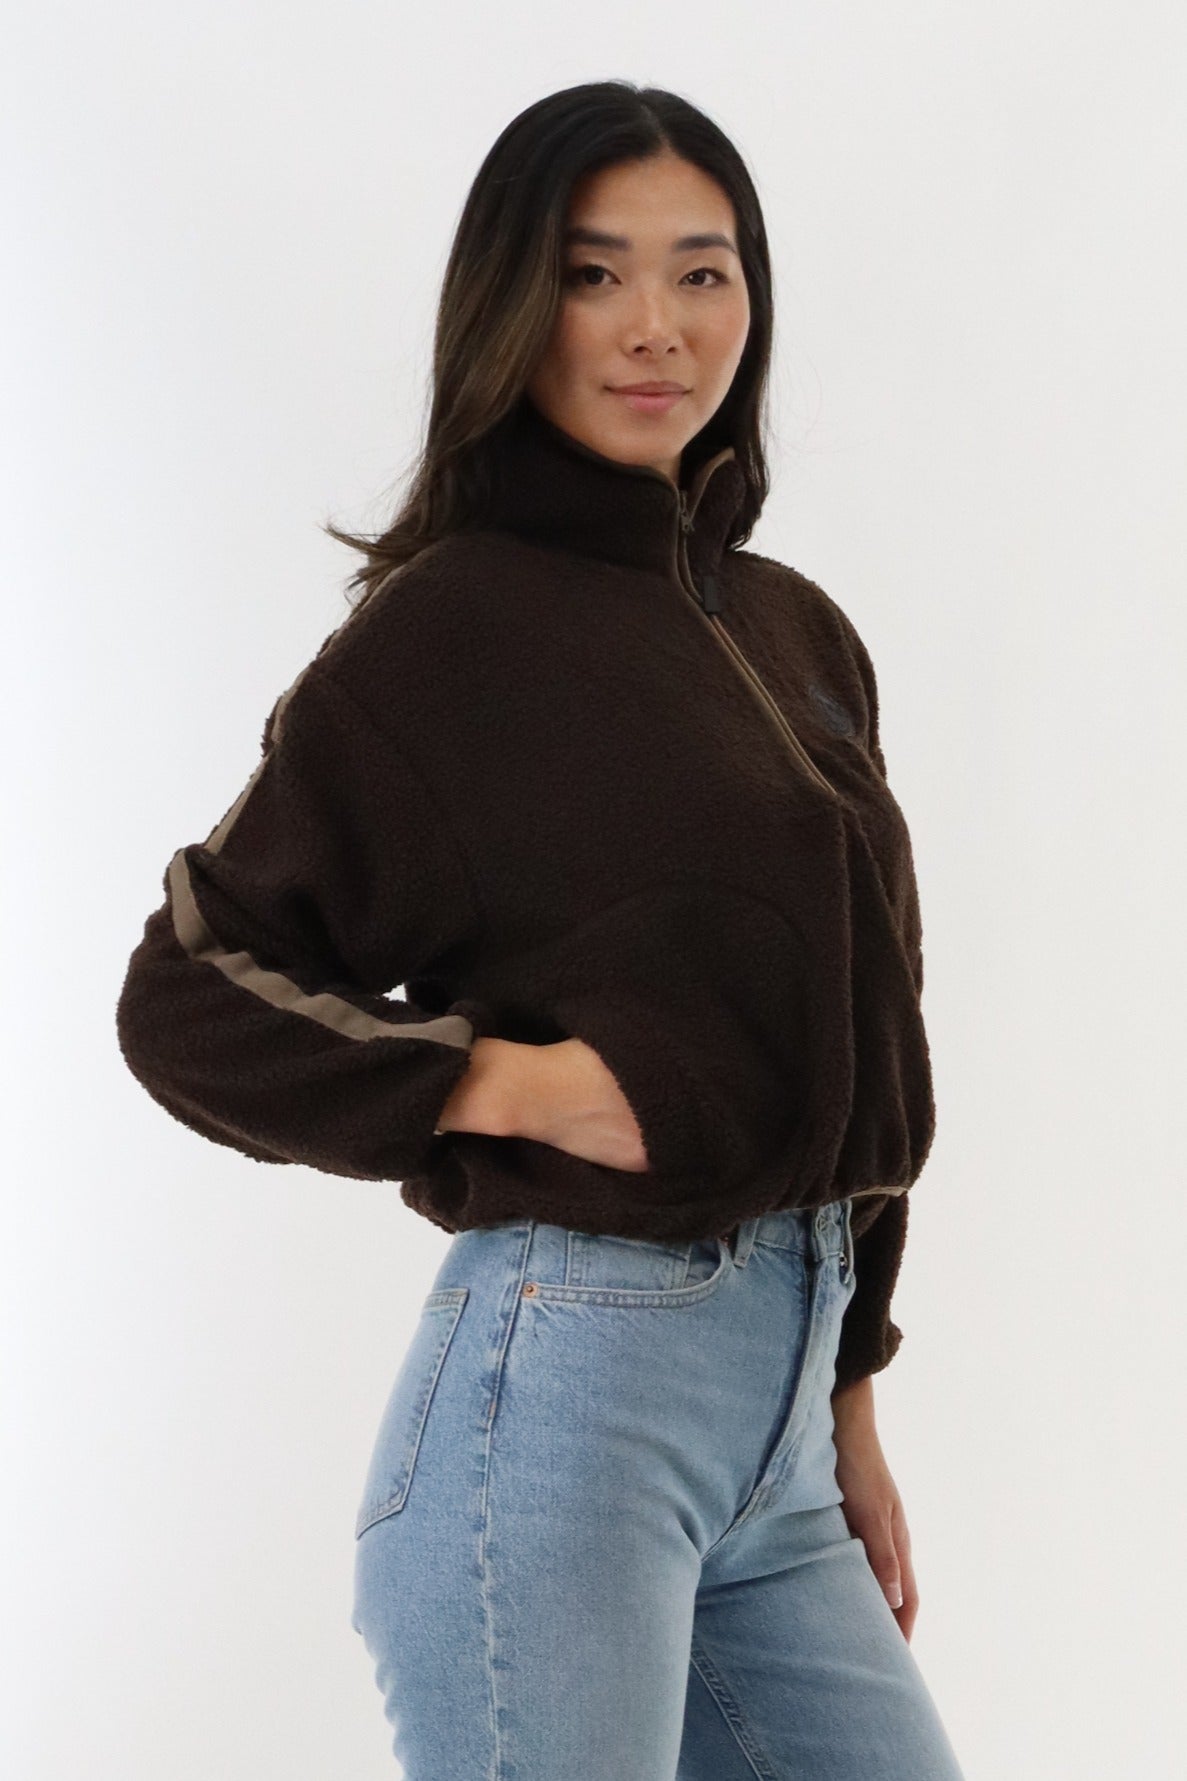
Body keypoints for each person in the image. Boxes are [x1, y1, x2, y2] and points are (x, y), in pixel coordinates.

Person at [116, 80, 965, 1780]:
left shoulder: (795, 630)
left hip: (785, 1437)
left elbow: (875, 1021)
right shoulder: (454, 630)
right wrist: (504, 1082)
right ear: (516, 303)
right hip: (569, 1404)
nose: (657, 325)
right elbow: (187, 995)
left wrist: (850, 1395)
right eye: (594, 274)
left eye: (702, 271)